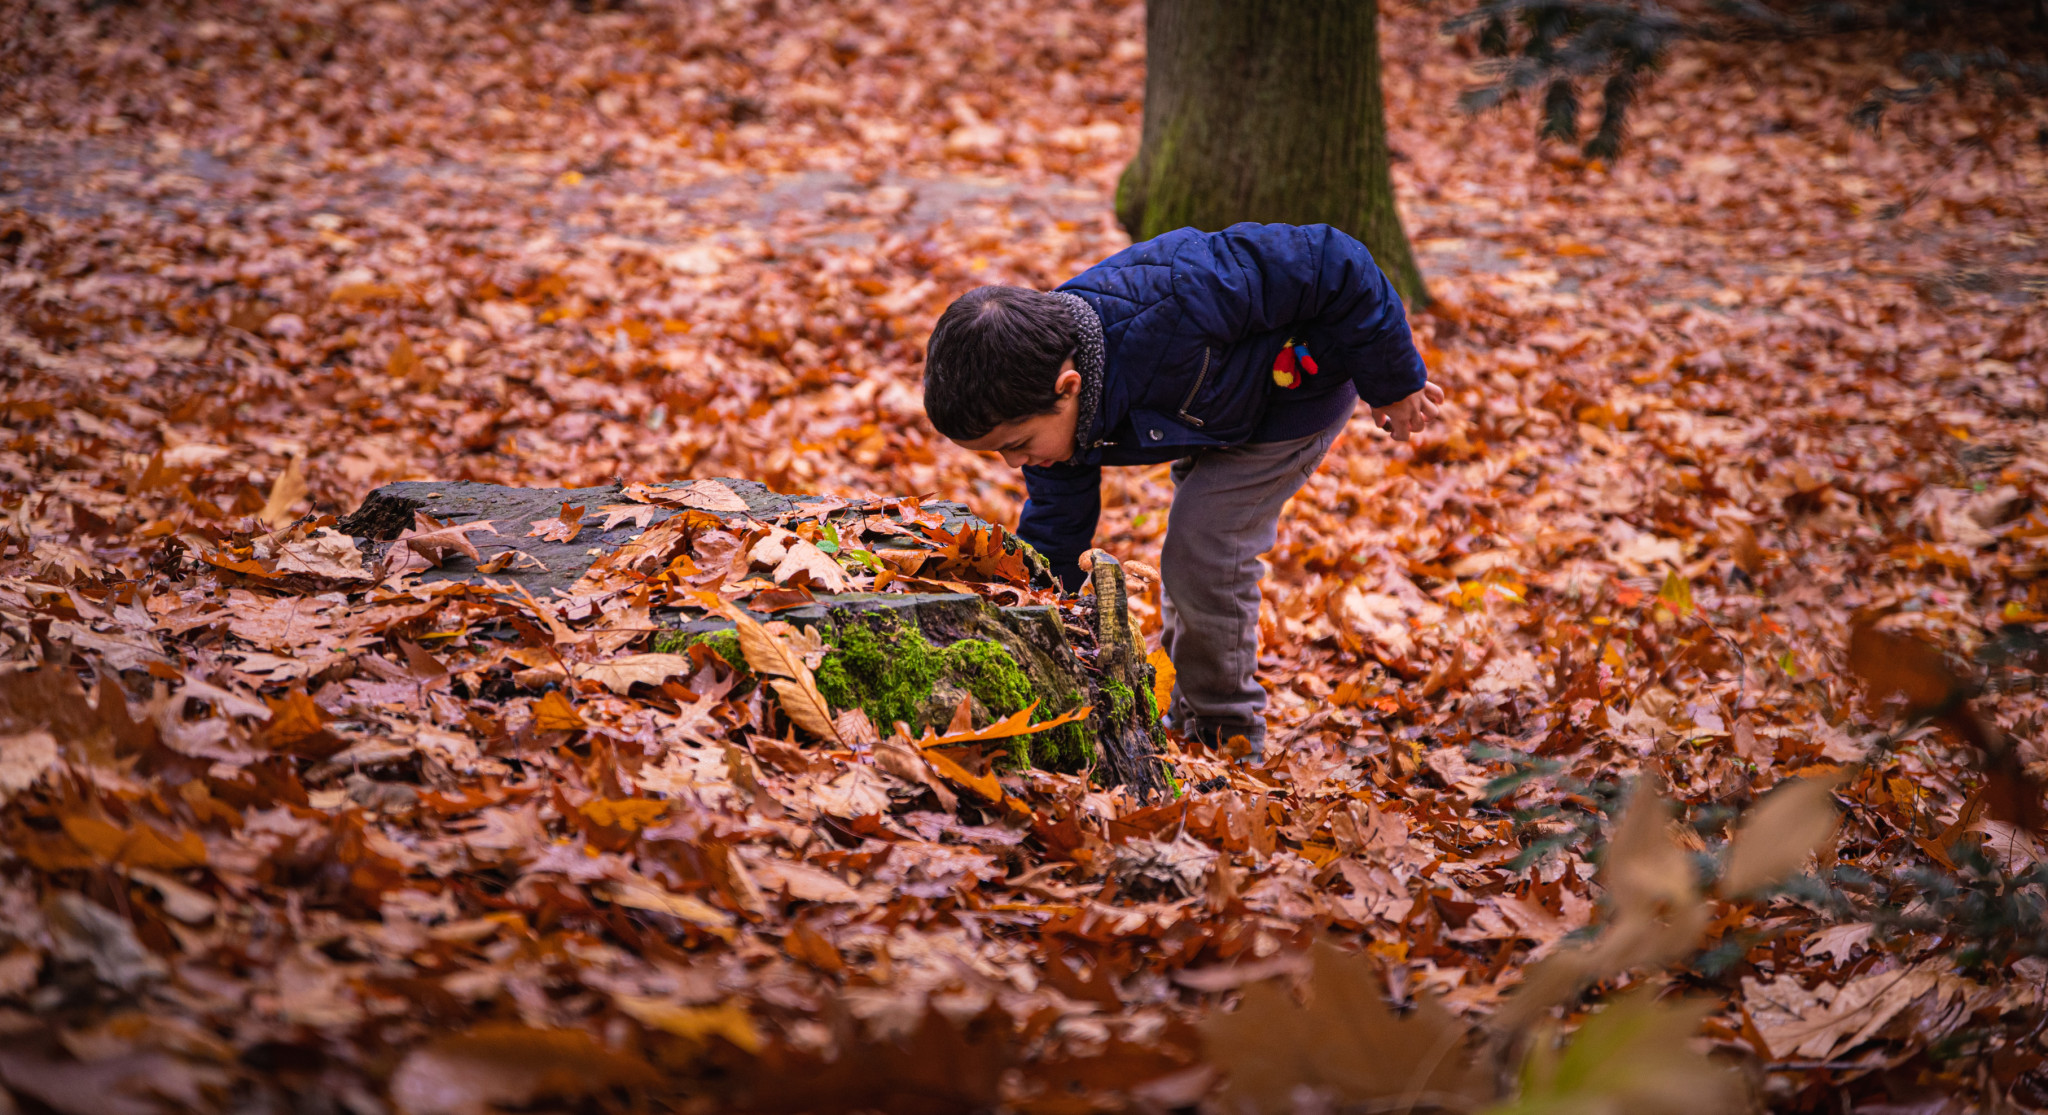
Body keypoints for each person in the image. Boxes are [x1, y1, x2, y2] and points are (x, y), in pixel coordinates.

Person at [921, 223, 1442, 757]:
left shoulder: (1183, 292)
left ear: (1068, 388)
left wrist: (1394, 381)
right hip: (1207, 408)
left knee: (1204, 549)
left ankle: (1227, 731)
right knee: (1190, 553)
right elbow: (1057, 524)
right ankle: (1186, 710)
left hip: (1291, 396)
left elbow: (1336, 259)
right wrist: (1032, 607)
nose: (1015, 463)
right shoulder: (1042, 398)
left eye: (1018, 444)